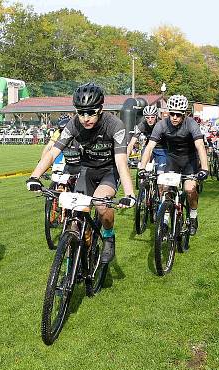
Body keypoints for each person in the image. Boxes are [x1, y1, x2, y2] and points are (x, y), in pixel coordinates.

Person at [25, 82, 136, 265]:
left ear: (101, 109)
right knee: (74, 218)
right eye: (81, 112)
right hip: (87, 170)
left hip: (109, 170)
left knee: (101, 204)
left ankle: (108, 237)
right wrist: (34, 177)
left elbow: (121, 162)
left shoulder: (115, 125)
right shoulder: (74, 124)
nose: (85, 118)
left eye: (91, 112)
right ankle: (72, 264)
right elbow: (53, 152)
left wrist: (130, 194)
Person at [138, 95, 209, 235]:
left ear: (184, 114)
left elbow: (200, 145)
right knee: (165, 189)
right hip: (172, 160)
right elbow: (150, 146)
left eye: (178, 114)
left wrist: (205, 168)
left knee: (189, 189)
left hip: (190, 160)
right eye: (172, 113)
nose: (174, 117)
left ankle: (193, 215)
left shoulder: (191, 124)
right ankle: (164, 220)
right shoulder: (162, 125)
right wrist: (142, 167)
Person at [128, 105, 166, 174]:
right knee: (144, 162)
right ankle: (144, 180)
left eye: (152, 117)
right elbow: (131, 143)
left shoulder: (162, 124)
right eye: (147, 117)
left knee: (160, 172)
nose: (150, 120)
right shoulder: (142, 125)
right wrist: (125, 157)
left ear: (156, 116)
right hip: (148, 147)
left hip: (161, 148)